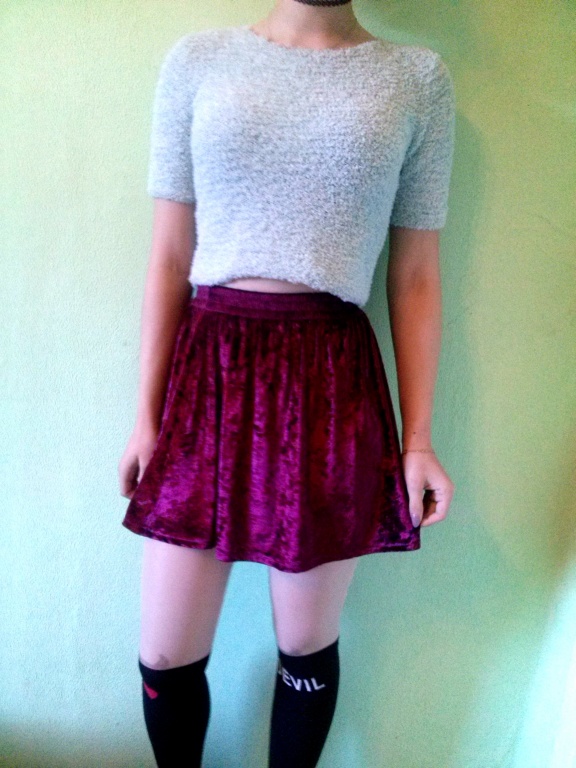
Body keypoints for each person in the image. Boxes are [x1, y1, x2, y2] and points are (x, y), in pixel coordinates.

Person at [117, 0, 456, 765]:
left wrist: (419, 440)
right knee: (165, 655)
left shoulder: (417, 79)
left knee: (305, 642)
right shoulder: (198, 61)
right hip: (208, 374)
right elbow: (169, 256)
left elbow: (414, 275)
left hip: (330, 378)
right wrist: (145, 416)